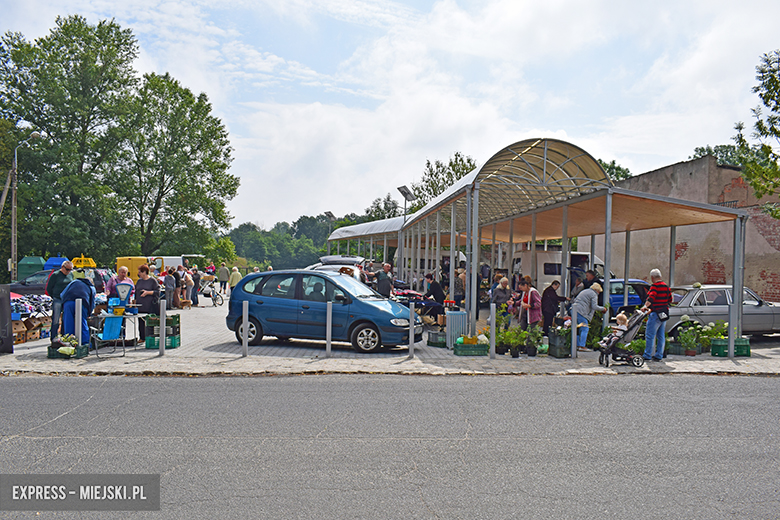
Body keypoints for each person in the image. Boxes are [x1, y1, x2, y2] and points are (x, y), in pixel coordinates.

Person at [641, 268, 672, 361]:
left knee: (650, 335)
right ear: (660, 276)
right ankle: (659, 355)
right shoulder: (666, 287)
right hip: (664, 314)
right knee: (661, 335)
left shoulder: (655, 286)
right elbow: (670, 299)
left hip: (655, 313)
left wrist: (645, 306)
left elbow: (651, 297)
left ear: (652, 277)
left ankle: (647, 355)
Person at [571, 282, 606, 351]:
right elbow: (594, 306)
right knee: (585, 328)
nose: (599, 293)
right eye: (599, 291)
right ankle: (582, 346)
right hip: (581, 312)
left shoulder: (585, 291)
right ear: (596, 290)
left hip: (574, 310)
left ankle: (577, 345)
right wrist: (603, 308)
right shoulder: (593, 294)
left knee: (578, 328)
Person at [59, 278, 96, 345]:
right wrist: (89, 313)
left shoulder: (73, 282)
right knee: (82, 322)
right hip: (82, 302)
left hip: (68, 302)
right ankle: (85, 344)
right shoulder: (91, 287)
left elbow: (62, 294)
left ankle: (69, 342)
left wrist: (63, 303)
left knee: (68, 322)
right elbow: (92, 301)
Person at [45, 260, 73, 343]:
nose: (68, 272)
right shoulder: (55, 275)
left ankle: (64, 336)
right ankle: (53, 337)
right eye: (67, 269)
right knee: (56, 319)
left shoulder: (71, 275)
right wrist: (54, 296)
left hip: (67, 299)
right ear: (62, 267)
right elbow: (49, 288)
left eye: (70, 270)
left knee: (66, 318)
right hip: (57, 298)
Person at [135, 264, 160, 341]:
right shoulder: (139, 281)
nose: (139, 274)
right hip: (140, 305)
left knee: (150, 322)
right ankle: (142, 337)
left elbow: (158, 292)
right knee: (141, 322)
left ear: (145, 272)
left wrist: (147, 292)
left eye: (140, 272)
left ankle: (151, 337)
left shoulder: (152, 280)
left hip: (150, 305)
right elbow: (136, 292)